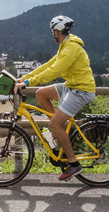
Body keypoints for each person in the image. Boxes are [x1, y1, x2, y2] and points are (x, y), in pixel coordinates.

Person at [15, 15, 97, 181]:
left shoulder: (70, 48)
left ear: (57, 31)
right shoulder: (65, 45)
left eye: (53, 31)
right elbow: (48, 65)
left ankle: (74, 164)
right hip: (71, 86)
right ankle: (57, 132)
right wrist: (25, 78)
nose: (53, 34)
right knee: (41, 94)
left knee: (54, 123)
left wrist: (29, 82)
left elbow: (55, 71)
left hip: (81, 90)